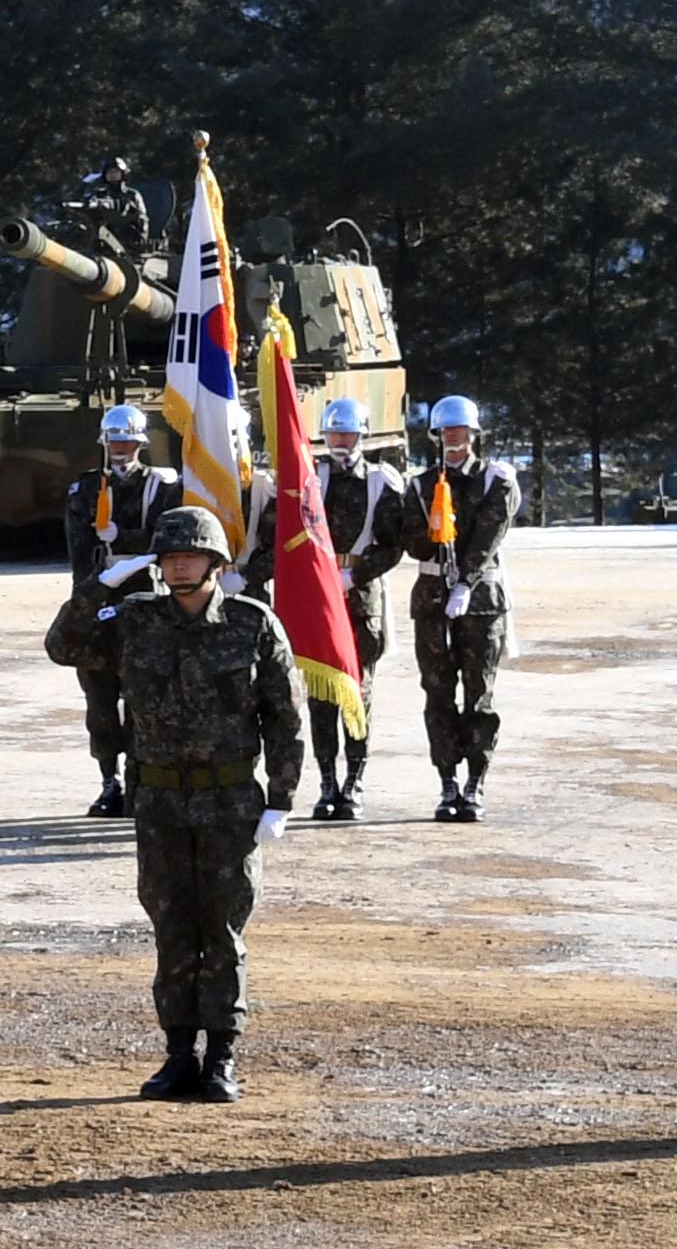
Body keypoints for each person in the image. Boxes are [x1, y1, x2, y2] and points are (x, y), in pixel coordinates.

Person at [43, 503, 302, 1103]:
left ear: (215, 561)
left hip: (231, 800)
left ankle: (223, 1056)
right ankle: (178, 1054)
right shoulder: (133, 619)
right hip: (159, 800)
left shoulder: (251, 623)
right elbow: (63, 646)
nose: (181, 566)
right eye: (170, 557)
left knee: (223, 929)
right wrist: (100, 582)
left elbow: (285, 718)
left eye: (192, 555)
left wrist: (281, 801)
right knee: (172, 930)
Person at [378, 394, 517, 822]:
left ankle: (476, 781)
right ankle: (447, 782)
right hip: (433, 599)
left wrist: (466, 582)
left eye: (461, 431)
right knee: (437, 695)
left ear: (474, 435)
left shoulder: (496, 480)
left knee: (479, 696)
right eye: (446, 431)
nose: (453, 438)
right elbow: (407, 535)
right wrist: (431, 533)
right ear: (436, 435)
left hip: (479, 603)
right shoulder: (420, 486)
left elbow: (489, 537)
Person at [63, 403, 181, 816]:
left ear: (141, 443)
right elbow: (81, 550)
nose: (121, 448)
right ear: (104, 441)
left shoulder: (161, 488)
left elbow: (164, 538)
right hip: (99, 600)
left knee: (143, 698)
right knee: (99, 702)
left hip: (145, 600)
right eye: (115, 440)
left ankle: (139, 780)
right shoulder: (85, 490)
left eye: (128, 440)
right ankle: (108, 781)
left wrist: (125, 537)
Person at [306, 398, 401, 822]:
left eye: (348, 434)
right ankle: (327, 782)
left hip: (361, 598)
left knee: (357, 695)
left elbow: (392, 544)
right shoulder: (310, 476)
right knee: (320, 693)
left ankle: (354, 782)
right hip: (319, 597)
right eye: (334, 434)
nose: (341, 442)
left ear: (363, 435)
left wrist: (355, 577)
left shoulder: (381, 481)